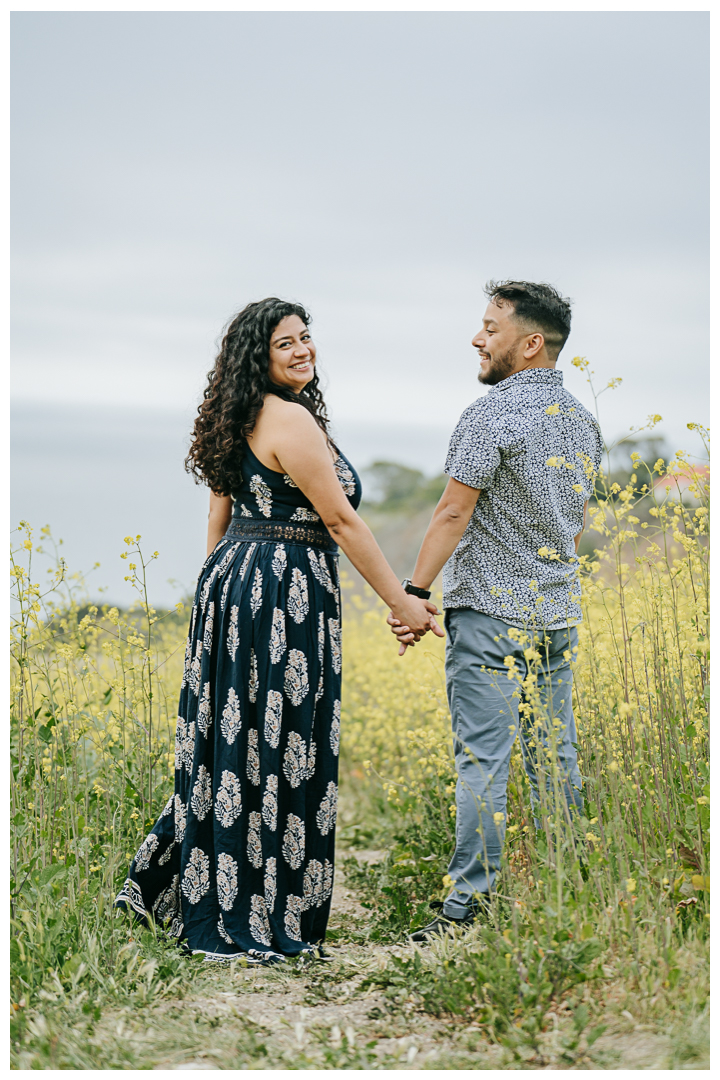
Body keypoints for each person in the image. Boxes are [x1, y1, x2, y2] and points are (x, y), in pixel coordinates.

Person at [116, 297, 441, 963]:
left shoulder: (234, 416)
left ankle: (204, 889)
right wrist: (404, 603)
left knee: (235, 742)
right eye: (284, 344)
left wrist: (212, 601)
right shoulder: (287, 419)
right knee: (283, 741)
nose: (302, 351)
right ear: (257, 358)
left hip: (235, 581)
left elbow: (218, 520)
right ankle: (262, 906)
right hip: (283, 590)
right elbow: (343, 523)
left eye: (305, 339)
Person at [388, 281, 604, 940]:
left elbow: (454, 510)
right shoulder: (582, 420)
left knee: (484, 763)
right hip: (557, 616)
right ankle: (567, 893)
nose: (478, 338)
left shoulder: (491, 415)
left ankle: (467, 911)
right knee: (555, 760)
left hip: (490, 617)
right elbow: (572, 527)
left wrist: (414, 595)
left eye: (490, 327)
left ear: (530, 343)